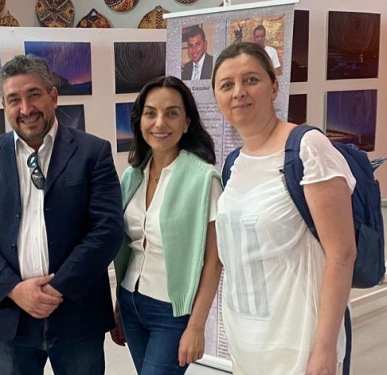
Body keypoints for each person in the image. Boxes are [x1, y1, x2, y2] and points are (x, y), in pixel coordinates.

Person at [0, 54, 124, 375]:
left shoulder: (93, 152)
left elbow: (107, 230)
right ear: (4, 106)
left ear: (53, 96)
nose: (26, 109)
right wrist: (14, 288)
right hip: (12, 316)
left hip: (76, 313)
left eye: (33, 94)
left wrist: (57, 288)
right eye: (14, 100)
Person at [212, 42, 356, 375]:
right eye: (227, 85)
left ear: (274, 87)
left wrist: (324, 349)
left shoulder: (307, 149)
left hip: (298, 342)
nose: (239, 92)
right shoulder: (233, 163)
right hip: (247, 342)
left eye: (251, 79)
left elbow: (342, 253)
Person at [110, 76, 223, 374]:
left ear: (186, 123)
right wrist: (120, 305)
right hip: (130, 303)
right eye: (151, 113)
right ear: (139, 121)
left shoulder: (204, 179)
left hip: (171, 312)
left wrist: (196, 326)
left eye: (172, 113)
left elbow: (214, 261)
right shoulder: (132, 176)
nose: (160, 123)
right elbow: (130, 249)